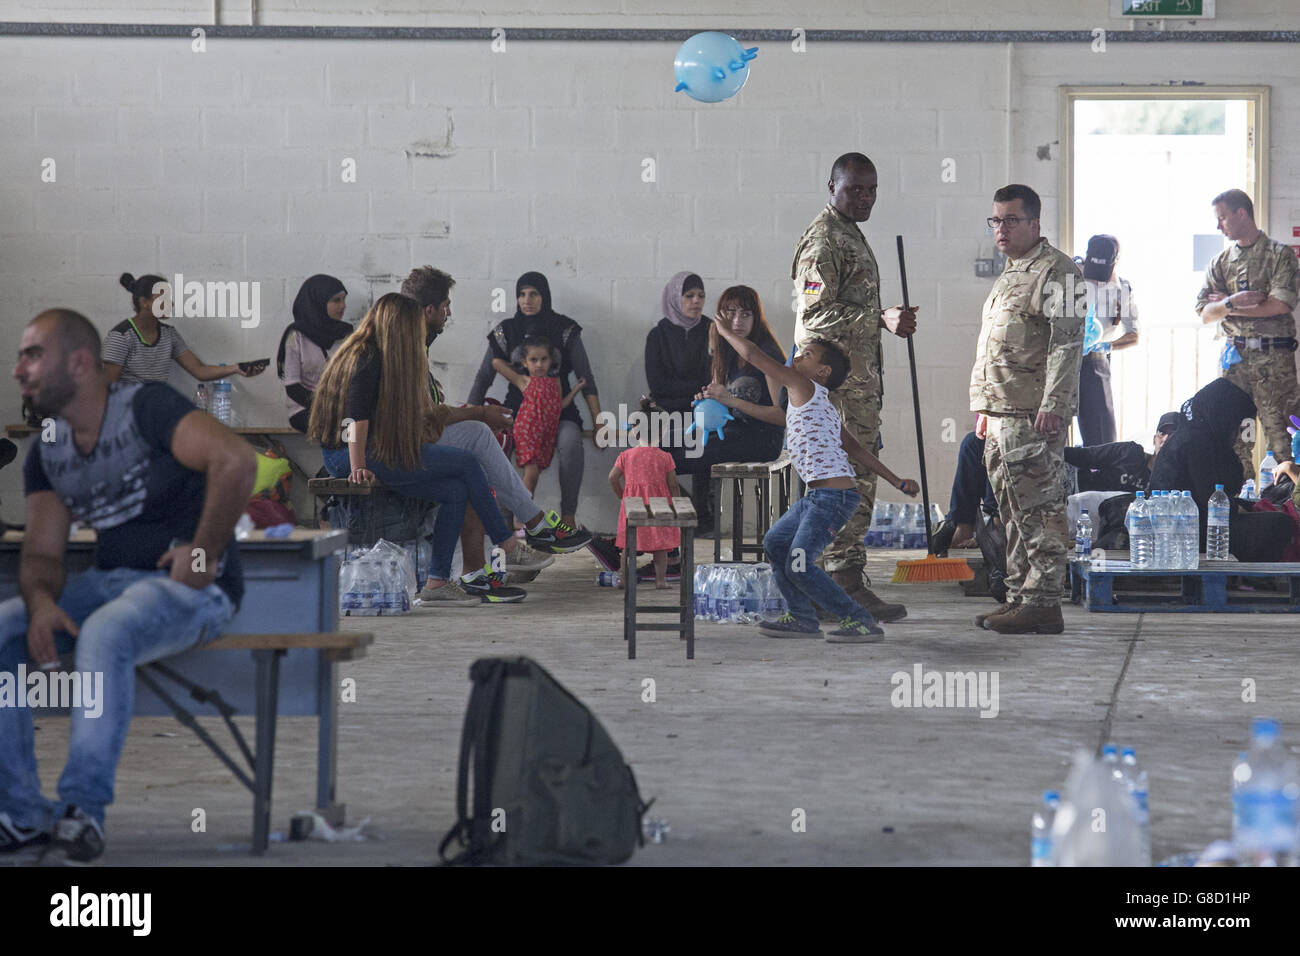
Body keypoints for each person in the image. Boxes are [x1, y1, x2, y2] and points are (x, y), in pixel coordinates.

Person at [3, 309, 256, 864]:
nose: (19, 370)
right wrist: (42, 601)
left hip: (191, 590)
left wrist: (205, 552)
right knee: (5, 629)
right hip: (111, 581)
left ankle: (82, 811)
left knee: (107, 630)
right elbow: (43, 553)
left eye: (32, 354)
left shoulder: (146, 408)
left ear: (79, 362)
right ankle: (21, 816)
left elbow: (236, 459)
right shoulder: (49, 449)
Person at [308, 294, 532, 606]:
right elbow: (355, 418)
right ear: (398, 327)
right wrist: (357, 465)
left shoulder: (382, 354)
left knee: (455, 489)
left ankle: (437, 583)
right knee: (467, 462)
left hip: (373, 447)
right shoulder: (366, 356)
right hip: (348, 453)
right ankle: (506, 541)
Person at [709, 317, 918, 642]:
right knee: (776, 544)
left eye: (807, 355)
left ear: (822, 373)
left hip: (832, 499)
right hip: (818, 498)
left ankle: (859, 619)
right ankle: (802, 618)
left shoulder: (803, 386)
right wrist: (897, 481)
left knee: (799, 562)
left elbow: (753, 356)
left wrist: (724, 332)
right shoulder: (816, 403)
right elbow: (854, 449)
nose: (798, 357)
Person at [401, 267, 589, 594]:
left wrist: (471, 412)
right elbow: (425, 411)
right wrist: (478, 410)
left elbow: (424, 411)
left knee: (475, 443)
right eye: (446, 306)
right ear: (427, 310)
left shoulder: (563, 329)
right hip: (395, 445)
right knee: (472, 452)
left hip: (414, 433)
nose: (450, 312)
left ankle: (472, 570)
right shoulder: (402, 343)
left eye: (535, 293)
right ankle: (517, 537)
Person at [792, 152, 917, 625]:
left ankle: (839, 580)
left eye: (871, 190)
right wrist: (878, 319)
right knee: (844, 485)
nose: (864, 198)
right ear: (831, 188)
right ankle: (837, 582)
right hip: (836, 390)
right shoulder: (824, 240)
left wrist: (886, 320)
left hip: (858, 387)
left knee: (856, 483)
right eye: (854, 190)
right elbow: (813, 316)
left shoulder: (849, 235)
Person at [970, 184, 1084, 636]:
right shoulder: (1013, 272)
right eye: (995, 220)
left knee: (1040, 511)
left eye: (1011, 220)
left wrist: (1054, 404)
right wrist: (985, 407)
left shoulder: (1059, 272)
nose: (1001, 229)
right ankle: (1020, 596)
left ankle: (1044, 602)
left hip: (1033, 416)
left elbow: (1067, 343)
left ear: (1035, 224)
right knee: (1012, 512)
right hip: (1001, 414)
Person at [932, 411, 1181, 556]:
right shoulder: (1132, 453)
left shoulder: (1162, 484)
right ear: (1156, 437)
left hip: (1071, 512)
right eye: (1163, 433)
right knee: (977, 444)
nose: (1167, 438)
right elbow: (1083, 456)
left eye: (1174, 434)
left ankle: (996, 524)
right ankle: (963, 524)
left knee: (1006, 458)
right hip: (1059, 477)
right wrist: (1034, 449)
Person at [468, 272, 602, 529]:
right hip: (519, 413)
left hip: (559, 413)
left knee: (571, 442)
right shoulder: (506, 330)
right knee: (496, 451)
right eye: (521, 294)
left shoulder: (564, 328)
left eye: (534, 294)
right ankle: (505, 523)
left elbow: (586, 377)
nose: (527, 300)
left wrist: (599, 422)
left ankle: (568, 517)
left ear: (545, 296)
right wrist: (470, 416)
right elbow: (483, 377)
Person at [1194, 188, 1300, 478]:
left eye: (1223, 218)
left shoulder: (1280, 256)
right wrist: (1230, 302)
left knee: (1285, 438)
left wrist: (1227, 307)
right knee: (1236, 439)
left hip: (1274, 361)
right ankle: (1240, 505)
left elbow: (1280, 304)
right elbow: (1204, 312)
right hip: (1235, 361)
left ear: (1242, 214)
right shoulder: (1221, 262)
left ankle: (1292, 507)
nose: (1219, 225)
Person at [1148, 379, 1294, 562]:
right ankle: (1251, 579)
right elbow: (1212, 502)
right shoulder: (1197, 444)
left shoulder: (1193, 435)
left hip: (1187, 530)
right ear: (1224, 418)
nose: (1238, 434)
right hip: (1185, 537)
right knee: (1280, 524)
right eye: (1236, 425)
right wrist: (1242, 508)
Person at [104, 273, 264, 386]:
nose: (171, 304)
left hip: (155, 412)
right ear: (144, 302)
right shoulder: (121, 336)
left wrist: (236, 368)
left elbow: (200, 371)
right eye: (163, 299)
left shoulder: (168, 334)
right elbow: (108, 387)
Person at [644, 271, 714, 526]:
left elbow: (713, 379)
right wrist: (694, 388)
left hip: (701, 410)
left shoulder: (711, 330)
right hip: (665, 412)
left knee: (708, 445)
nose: (696, 301)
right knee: (648, 458)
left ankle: (704, 516)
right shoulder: (658, 335)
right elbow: (657, 384)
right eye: (689, 295)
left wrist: (693, 392)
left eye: (701, 295)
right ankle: (688, 508)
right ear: (676, 298)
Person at [493, 337, 587, 497]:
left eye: (544, 359)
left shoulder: (554, 382)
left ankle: (524, 514)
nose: (539, 364)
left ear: (551, 361)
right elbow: (496, 363)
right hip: (528, 432)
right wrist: (511, 364)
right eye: (533, 360)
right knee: (531, 476)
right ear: (525, 362)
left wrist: (576, 389)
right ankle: (521, 516)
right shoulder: (525, 381)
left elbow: (559, 405)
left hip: (545, 435)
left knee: (533, 477)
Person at [610, 399, 681, 590]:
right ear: (661, 432)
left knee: (628, 546)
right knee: (660, 547)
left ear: (635, 431)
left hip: (632, 505)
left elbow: (612, 478)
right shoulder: (665, 457)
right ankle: (660, 580)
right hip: (659, 505)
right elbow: (673, 485)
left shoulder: (626, 456)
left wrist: (621, 494)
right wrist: (676, 506)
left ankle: (624, 580)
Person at [1076, 234, 1140, 446]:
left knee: (1101, 437)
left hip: (1095, 361)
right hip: (1063, 357)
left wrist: (1106, 345)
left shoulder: (1122, 289)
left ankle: (1098, 475)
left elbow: (1133, 335)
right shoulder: (1070, 274)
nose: (1095, 279)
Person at [277, 275, 351, 434]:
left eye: (344, 300)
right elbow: (293, 388)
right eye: (336, 300)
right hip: (305, 409)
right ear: (317, 302)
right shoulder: (296, 336)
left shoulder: (346, 334)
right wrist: (327, 406)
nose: (343, 306)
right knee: (342, 430)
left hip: (340, 409)